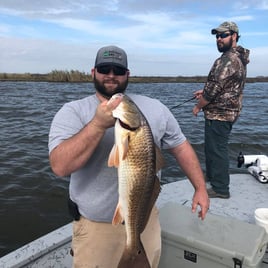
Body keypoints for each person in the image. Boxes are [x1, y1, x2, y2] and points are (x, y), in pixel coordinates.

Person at [49, 45, 210, 268]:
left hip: (145, 219)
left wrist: (200, 188)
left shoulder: (156, 108)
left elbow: (180, 146)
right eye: (105, 69)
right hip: (97, 227)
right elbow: (59, 166)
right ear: (93, 72)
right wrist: (96, 125)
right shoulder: (72, 111)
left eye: (118, 70)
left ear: (127, 74)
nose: (111, 75)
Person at [192, 22, 250, 199]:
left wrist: (198, 106)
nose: (219, 39)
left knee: (216, 150)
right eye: (217, 36)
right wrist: (205, 92)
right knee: (215, 148)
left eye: (223, 35)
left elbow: (213, 90)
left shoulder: (227, 60)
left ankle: (220, 188)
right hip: (227, 112)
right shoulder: (238, 58)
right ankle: (215, 180)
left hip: (220, 114)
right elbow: (229, 85)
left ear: (234, 36)